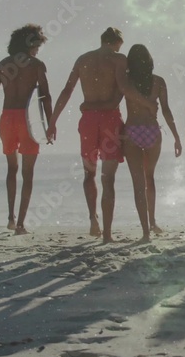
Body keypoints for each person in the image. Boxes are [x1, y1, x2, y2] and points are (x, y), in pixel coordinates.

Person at [47, 27, 154, 243]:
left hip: (88, 121)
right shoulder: (118, 59)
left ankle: (92, 219)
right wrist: (147, 103)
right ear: (117, 43)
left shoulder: (82, 59)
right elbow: (123, 88)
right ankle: (106, 234)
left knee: (89, 173)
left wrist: (52, 121)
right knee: (109, 179)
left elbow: (67, 90)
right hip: (109, 122)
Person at [0, 24, 53, 235]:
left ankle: (11, 217)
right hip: (27, 120)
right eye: (37, 45)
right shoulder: (37, 65)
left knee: (12, 169)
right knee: (28, 174)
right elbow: (45, 97)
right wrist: (50, 124)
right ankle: (20, 225)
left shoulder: (2, 65)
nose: (38, 49)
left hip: (7, 119)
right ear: (31, 43)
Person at [123, 44, 182, 242]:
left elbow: (114, 101)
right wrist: (176, 136)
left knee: (138, 183)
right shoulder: (158, 82)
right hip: (152, 131)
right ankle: (153, 221)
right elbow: (166, 110)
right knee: (150, 178)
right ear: (149, 61)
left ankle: (146, 233)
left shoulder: (126, 81)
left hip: (132, 130)